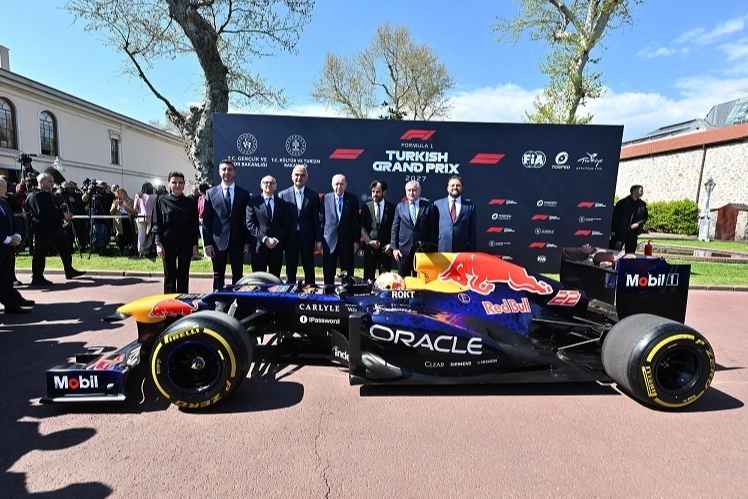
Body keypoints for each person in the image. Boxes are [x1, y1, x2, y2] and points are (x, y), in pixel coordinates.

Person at [25, 173, 86, 286]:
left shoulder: (51, 195)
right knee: (40, 253)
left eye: (53, 181)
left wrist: (63, 215)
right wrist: (62, 215)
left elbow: (55, 209)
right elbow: (42, 213)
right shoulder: (34, 196)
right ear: (41, 182)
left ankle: (69, 270)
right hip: (43, 229)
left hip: (56, 227)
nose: (52, 184)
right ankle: (37, 277)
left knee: (65, 249)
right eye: (50, 181)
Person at [202, 160, 251, 290]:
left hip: (238, 242)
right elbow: (207, 221)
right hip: (217, 243)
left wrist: (247, 242)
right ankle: (218, 299)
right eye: (224, 169)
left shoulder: (244, 194)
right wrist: (208, 244)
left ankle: (238, 299)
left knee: (238, 276)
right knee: (218, 276)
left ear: (235, 172)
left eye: (230, 169)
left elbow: (247, 220)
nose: (226, 172)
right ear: (219, 172)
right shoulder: (210, 193)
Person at [152, 171, 200, 293]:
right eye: (174, 182)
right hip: (167, 241)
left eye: (180, 183)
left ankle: (183, 301)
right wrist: (158, 243)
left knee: (184, 274)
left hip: (186, 242)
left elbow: (194, 225)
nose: (177, 185)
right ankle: (169, 302)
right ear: (168, 183)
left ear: (184, 185)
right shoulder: (161, 201)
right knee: (169, 275)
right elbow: (156, 223)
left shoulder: (190, 202)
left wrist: (195, 244)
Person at [279, 165, 322, 284]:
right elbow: (281, 220)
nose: (299, 178)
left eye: (302, 175)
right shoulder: (283, 194)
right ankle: (290, 290)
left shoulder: (313, 196)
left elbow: (316, 219)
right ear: (292, 177)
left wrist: (318, 239)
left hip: (307, 238)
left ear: (306, 178)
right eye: (297, 175)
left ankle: (311, 291)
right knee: (290, 268)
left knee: (309, 267)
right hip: (290, 238)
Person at [0, 177, 34, 313]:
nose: (7, 190)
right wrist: (7, 239)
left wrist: (17, 235)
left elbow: (13, 221)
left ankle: (11, 306)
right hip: (4, 243)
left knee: (7, 278)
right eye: (4, 187)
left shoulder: (4, 203)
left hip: (7, 249)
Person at [247, 175, 289, 278]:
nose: (268, 185)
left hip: (276, 247)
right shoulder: (253, 202)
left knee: (274, 279)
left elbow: (285, 225)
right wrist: (265, 239)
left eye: (271, 183)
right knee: (259, 279)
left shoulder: (282, 203)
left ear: (276, 186)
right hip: (259, 247)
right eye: (266, 183)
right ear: (261, 185)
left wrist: (276, 239)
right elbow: (250, 224)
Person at [320, 174, 359, 285]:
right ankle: (328, 293)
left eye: (341, 184)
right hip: (329, 242)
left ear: (345, 185)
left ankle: (347, 293)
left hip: (347, 242)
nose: (339, 186)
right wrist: (319, 240)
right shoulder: (325, 198)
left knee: (347, 272)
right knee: (328, 272)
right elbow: (321, 220)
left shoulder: (352, 199)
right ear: (332, 185)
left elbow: (356, 222)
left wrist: (356, 241)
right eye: (336, 184)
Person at [391, 180, 436, 277]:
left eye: (414, 190)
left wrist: (431, 248)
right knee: (403, 281)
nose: (411, 193)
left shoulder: (429, 206)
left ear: (419, 191)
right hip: (403, 252)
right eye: (409, 190)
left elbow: (433, 229)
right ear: (406, 192)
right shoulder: (400, 207)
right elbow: (395, 228)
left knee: (420, 281)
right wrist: (395, 248)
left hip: (422, 252)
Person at [360, 179, 395, 281]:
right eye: (373, 191)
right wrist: (369, 241)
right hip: (370, 249)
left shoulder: (392, 208)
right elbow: (362, 226)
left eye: (378, 192)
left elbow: (395, 228)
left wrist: (391, 244)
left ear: (384, 192)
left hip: (385, 249)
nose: (375, 194)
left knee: (385, 280)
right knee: (368, 278)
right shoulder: (366, 207)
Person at [434, 175, 477, 252]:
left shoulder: (470, 207)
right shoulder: (437, 204)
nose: (455, 187)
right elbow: (433, 229)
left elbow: (472, 233)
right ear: (447, 188)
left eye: (458, 185)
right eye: (452, 185)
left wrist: (471, 253)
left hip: (461, 250)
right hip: (441, 249)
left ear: (462, 188)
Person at [610, 184, 648, 254]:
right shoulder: (622, 203)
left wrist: (638, 224)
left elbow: (645, 217)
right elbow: (614, 217)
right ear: (634, 191)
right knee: (615, 252)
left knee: (630, 254)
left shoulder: (642, 205)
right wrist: (612, 230)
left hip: (633, 233)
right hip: (620, 232)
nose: (642, 193)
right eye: (641, 191)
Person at [81, 179, 116, 256]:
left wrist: (109, 190)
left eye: (103, 187)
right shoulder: (92, 194)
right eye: (100, 188)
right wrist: (88, 191)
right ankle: (99, 247)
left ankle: (104, 247)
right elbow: (84, 199)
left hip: (106, 218)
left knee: (104, 233)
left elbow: (114, 197)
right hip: (95, 218)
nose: (101, 189)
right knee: (97, 232)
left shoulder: (108, 195)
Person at [110, 187, 137, 256]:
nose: (120, 195)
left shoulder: (130, 201)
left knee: (130, 234)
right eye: (118, 194)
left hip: (128, 219)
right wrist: (116, 206)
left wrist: (125, 206)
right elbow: (111, 212)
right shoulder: (115, 201)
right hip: (120, 220)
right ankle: (122, 250)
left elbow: (134, 211)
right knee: (121, 235)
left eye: (121, 193)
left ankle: (132, 249)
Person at [134, 182, 158, 257]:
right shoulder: (155, 196)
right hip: (151, 217)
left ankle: (140, 250)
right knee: (152, 234)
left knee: (141, 234)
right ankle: (151, 249)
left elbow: (135, 208)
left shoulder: (138, 196)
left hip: (141, 216)